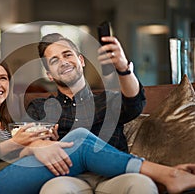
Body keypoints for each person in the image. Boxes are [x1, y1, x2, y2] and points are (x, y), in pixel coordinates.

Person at [0, 57, 195, 194]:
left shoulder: (9, 121)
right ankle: (168, 173)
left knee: (76, 141)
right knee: (81, 140)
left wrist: (37, 144)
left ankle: (167, 173)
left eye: (3, 78)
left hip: (9, 178)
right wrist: (19, 144)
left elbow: (17, 155)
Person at [24, 33, 156, 193]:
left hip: (113, 176)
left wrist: (122, 68)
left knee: (142, 184)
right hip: (69, 178)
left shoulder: (109, 100)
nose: (63, 62)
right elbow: (25, 144)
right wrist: (43, 143)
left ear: (81, 60)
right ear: (49, 75)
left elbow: (135, 104)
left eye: (67, 54)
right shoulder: (39, 107)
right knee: (54, 190)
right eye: (54, 60)